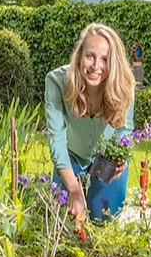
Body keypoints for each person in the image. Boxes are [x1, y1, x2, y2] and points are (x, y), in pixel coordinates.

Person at [45, 23, 135, 223]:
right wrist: (74, 188)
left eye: (105, 59)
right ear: (79, 56)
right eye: (90, 56)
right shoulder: (57, 81)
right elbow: (56, 138)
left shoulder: (124, 85)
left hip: (106, 160)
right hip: (72, 158)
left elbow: (125, 130)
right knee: (64, 224)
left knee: (102, 218)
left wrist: (121, 158)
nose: (96, 66)